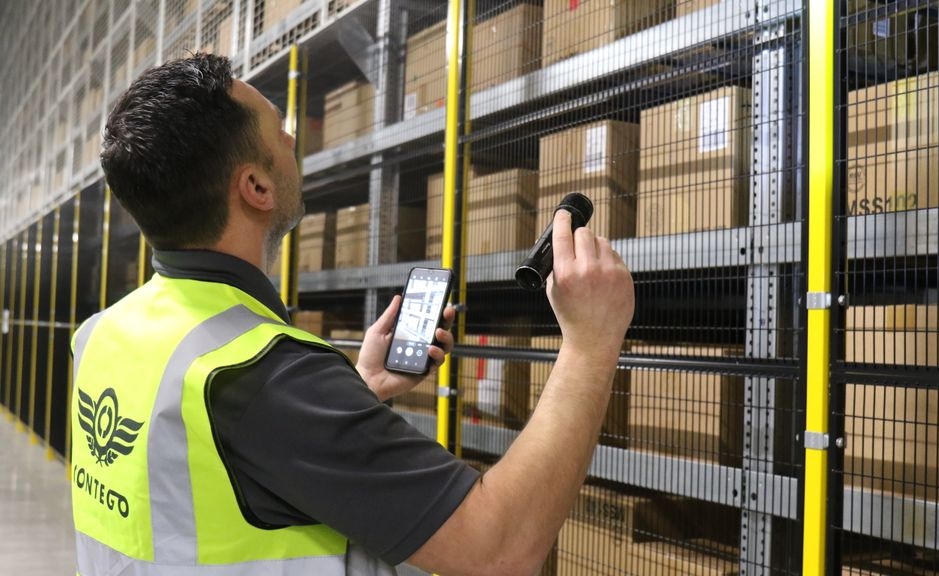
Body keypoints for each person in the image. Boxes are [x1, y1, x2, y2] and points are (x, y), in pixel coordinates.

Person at [71, 53, 634, 576]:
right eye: (279, 131)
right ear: (257, 187)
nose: (293, 139)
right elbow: (499, 547)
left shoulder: (102, 334)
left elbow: (197, 476)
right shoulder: (265, 376)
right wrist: (591, 341)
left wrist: (356, 390)